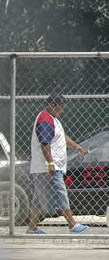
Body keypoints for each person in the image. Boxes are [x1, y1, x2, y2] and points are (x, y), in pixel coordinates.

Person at [27, 93, 88, 234]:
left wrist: (76, 146)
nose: (62, 110)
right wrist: (50, 164)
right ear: (52, 105)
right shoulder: (45, 119)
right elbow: (44, 143)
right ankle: (72, 224)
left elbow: (61, 136)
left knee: (38, 197)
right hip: (48, 168)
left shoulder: (52, 119)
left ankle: (32, 228)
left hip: (47, 167)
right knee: (60, 193)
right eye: (60, 107)